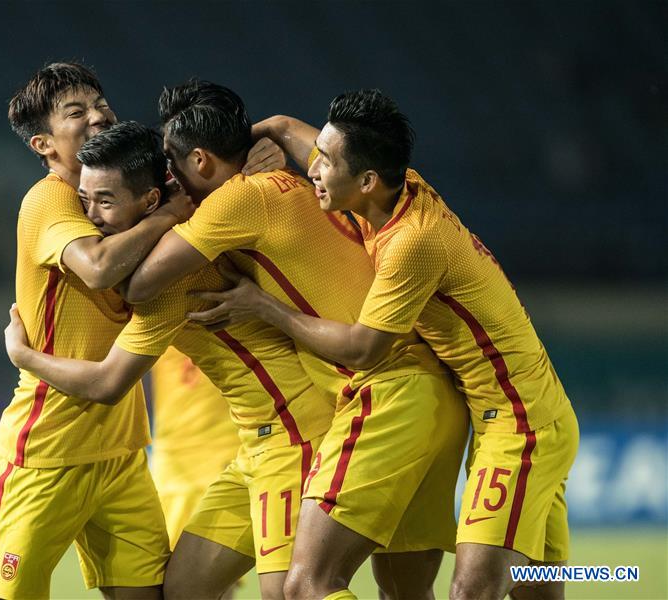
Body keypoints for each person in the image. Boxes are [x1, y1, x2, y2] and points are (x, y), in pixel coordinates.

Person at [195, 90, 579, 600]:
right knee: (536, 586)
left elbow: (362, 349)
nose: (312, 168)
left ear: (366, 181)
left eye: (325, 162)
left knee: (471, 591)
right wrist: (251, 148)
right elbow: (288, 126)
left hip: (519, 423)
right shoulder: (396, 186)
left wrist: (267, 308)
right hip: (520, 412)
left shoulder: (412, 242)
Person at [122, 79, 469, 599]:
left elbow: (135, 283)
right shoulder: (306, 180)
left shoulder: (239, 200)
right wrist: (274, 129)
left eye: (172, 163)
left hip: (382, 393)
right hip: (405, 392)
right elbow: (322, 151)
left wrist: (165, 211)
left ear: (200, 160)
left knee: (306, 587)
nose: (169, 177)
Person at [0, 62, 283, 600]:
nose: (97, 116)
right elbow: (99, 268)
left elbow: (202, 152)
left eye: (100, 103)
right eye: (76, 113)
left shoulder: (136, 188)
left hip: (122, 452)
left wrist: (257, 149)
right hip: (48, 446)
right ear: (43, 144)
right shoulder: (50, 200)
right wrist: (169, 214)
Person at [149, 347, 239, 551]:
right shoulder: (156, 319)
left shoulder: (238, 317)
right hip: (172, 457)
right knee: (169, 560)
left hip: (226, 448)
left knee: (219, 559)